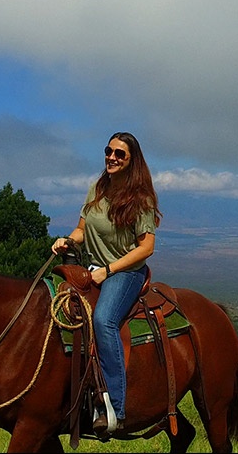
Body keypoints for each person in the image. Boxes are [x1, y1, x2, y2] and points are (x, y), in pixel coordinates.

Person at [51, 131, 162, 435]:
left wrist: (109, 270)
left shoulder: (141, 199)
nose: (111, 157)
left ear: (131, 161)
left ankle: (114, 406)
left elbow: (146, 248)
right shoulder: (97, 189)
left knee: (103, 320)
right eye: (109, 151)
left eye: (120, 154)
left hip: (126, 273)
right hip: (91, 269)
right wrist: (66, 240)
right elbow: (81, 230)